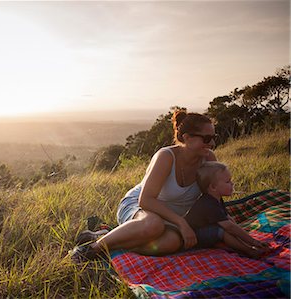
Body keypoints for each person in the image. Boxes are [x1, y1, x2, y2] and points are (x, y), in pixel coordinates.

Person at [71, 109, 218, 262]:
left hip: (170, 218)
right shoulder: (167, 156)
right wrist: (182, 223)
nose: (212, 143)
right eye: (207, 139)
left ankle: (112, 238)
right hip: (140, 207)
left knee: (171, 243)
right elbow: (146, 200)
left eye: (214, 137)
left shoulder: (209, 160)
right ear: (187, 138)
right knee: (154, 225)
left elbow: (213, 200)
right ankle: (93, 248)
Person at [184, 161, 270, 258]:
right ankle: (249, 251)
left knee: (228, 228)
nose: (232, 183)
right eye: (227, 181)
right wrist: (253, 242)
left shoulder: (216, 198)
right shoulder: (208, 204)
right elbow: (229, 227)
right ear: (213, 187)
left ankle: (233, 244)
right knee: (223, 231)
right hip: (195, 236)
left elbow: (228, 219)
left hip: (207, 229)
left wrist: (243, 235)